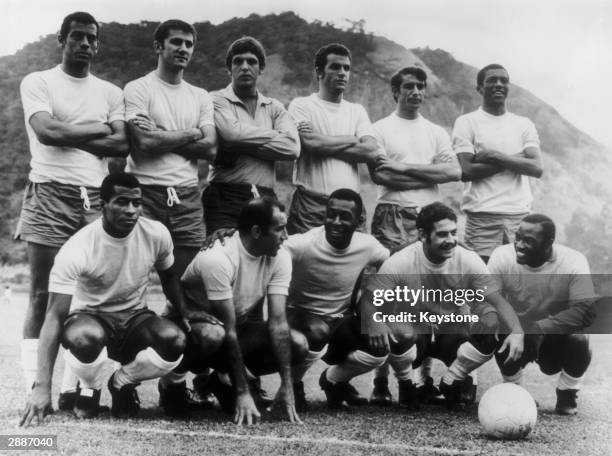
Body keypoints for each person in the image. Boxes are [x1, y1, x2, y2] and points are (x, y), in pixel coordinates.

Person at [20, 173, 200, 426]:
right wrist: (41, 387)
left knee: (175, 340)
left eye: (136, 203)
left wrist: (185, 311)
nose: (131, 210)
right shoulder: (78, 247)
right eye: (121, 202)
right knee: (84, 337)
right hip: (91, 318)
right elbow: (54, 316)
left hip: (136, 318)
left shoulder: (156, 233)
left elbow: (169, 278)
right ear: (102, 205)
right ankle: (89, 387)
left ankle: (122, 381)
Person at [16, 11, 128, 408]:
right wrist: (97, 129)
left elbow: (119, 146)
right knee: (42, 293)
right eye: (76, 36)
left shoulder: (111, 92)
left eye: (90, 38)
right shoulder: (39, 81)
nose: (84, 43)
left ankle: (77, 385)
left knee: (89, 296)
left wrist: (70, 131)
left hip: (92, 197)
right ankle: (35, 386)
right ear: (61, 40)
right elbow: (47, 132)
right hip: (48, 193)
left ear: (97, 45)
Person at [325, 202, 524, 410]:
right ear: (422, 234)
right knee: (397, 328)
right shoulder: (402, 261)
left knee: (493, 321)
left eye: (453, 233)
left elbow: (499, 301)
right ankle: (406, 384)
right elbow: (367, 300)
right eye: (443, 234)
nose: (451, 240)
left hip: (450, 333)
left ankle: (452, 380)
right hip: (413, 336)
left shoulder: (468, 260)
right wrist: (374, 321)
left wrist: (518, 331)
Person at [368, 66, 462, 405]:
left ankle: (424, 379)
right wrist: (426, 172)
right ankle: (382, 381)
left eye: (421, 86)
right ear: (396, 92)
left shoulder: (435, 131)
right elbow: (380, 174)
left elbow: (453, 171)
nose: (416, 92)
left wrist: (403, 170)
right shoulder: (378, 128)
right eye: (409, 86)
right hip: (391, 213)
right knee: (393, 298)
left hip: (430, 215)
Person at [180, 197, 307, 425]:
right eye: (280, 229)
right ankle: (172, 383)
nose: (286, 236)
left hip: (231, 329)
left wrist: (287, 387)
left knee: (298, 343)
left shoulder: (281, 256)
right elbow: (227, 331)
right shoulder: (217, 258)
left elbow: (278, 323)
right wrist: (243, 392)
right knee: (213, 335)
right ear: (257, 231)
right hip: (189, 331)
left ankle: (222, 381)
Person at [283, 189, 390, 411]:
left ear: (359, 220)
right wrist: (230, 235)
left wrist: (374, 313)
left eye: (344, 216)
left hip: (340, 320)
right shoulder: (303, 244)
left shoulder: (367, 246)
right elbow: (266, 246)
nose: (336, 222)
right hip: (299, 319)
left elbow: (393, 264)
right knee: (317, 330)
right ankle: (292, 386)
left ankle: (333, 380)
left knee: (381, 344)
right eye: (331, 214)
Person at [124, 19, 216, 276]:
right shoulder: (138, 88)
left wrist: (160, 135)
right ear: (158, 46)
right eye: (176, 42)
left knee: (187, 279)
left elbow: (209, 148)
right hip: (145, 192)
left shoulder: (200, 96)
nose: (183, 48)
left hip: (186, 195)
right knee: (135, 274)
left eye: (189, 44)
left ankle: (180, 315)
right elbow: (144, 142)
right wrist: (191, 133)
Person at [488, 214, 595, 414]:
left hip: (555, 334)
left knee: (580, 339)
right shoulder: (502, 256)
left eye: (529, 241)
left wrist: (539, 328)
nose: (519, 245)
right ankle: (515, 391)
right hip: (517, 331)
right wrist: (515, 329)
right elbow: (492, 301)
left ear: (549, 242)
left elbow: (584, 311)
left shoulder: (573, 261)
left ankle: (567, 394)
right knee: (496, 328)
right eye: (517, 238)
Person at [203, 36, 300, 233]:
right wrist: (273, 137)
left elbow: (292, 147)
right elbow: (231, 135)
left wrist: (240, 143)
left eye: (252, 61)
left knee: (267, 257)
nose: (245, 67)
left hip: (264, 196)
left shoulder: (275, 107)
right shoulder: (215, 99)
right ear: (229, 68)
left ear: (261, 68)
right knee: (223, 254)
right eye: (238, 61)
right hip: (225, 194)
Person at [452, 64, 543, 263]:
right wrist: (517, 159)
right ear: (480, 88)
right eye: (492, 80)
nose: (499, 84)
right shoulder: (466, 122)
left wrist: (494, 155)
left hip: (519, 217)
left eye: (504, 80)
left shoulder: (523, 124)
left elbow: (536, 168)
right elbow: (467, 170)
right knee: (481, 280)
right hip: (482, 217)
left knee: (518, 279)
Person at [287, 43, 379, 234]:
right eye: (335, 67)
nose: (342, 73)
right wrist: (352, 139)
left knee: (352, 261)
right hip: (311, 205)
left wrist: (321, 142)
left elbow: (370, 151)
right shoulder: (302, 105)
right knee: (305, 259)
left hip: (350, 205)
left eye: (346, 68)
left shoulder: (357, 110)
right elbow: (310, 143)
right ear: (319, 72)